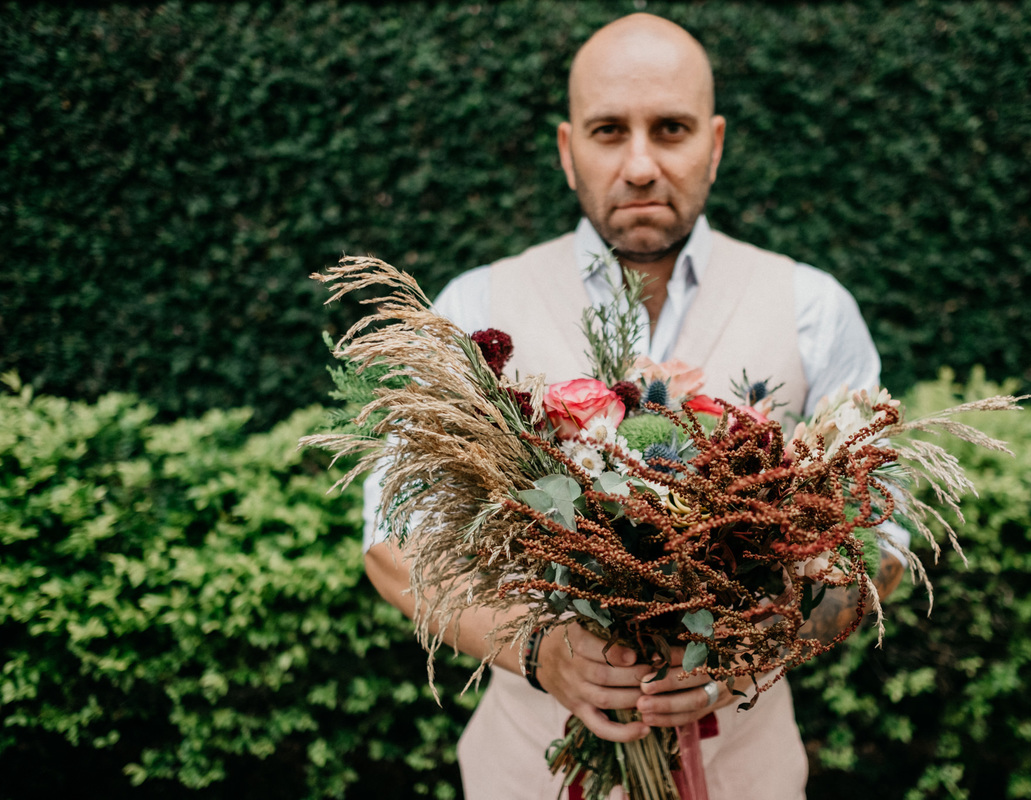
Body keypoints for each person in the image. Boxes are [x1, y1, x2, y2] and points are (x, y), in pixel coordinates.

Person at [362, 13, 906, 800]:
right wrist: (540, 651)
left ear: (714, 145)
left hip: (746, 774)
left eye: (672, 129)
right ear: (566, 150)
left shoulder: (812, 309)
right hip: (526, 775)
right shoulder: (472, 307)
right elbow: (392, 541)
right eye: (609, 130)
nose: (642, 165)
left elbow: (880, 546)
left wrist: (756, 650)